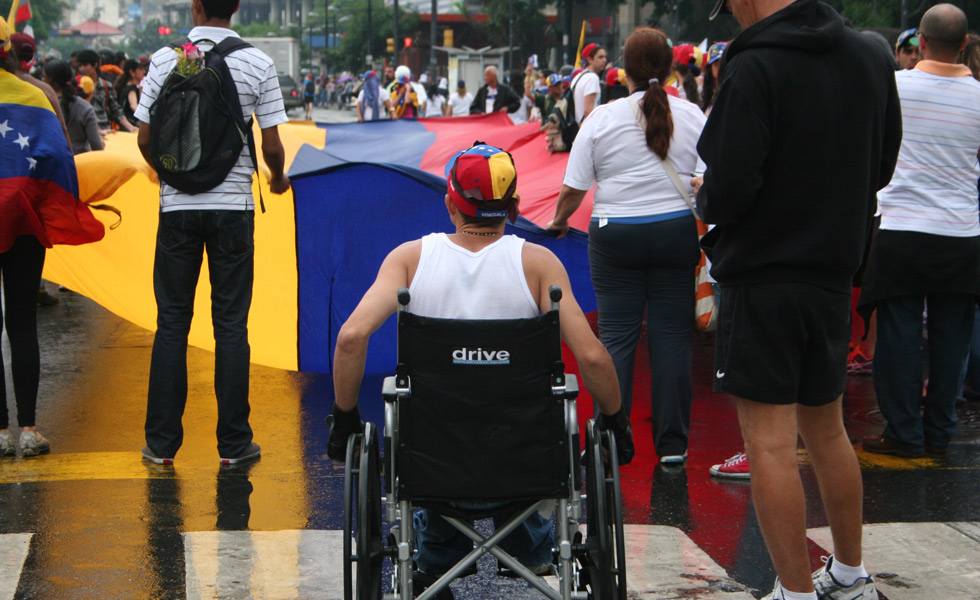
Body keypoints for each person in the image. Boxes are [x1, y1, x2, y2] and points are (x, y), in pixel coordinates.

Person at [327, 142, 633, 596]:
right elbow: (591, 357)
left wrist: (346, 421)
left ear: (451, 203)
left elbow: (351, 338)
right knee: (546, 419)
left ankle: (435, 555)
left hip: (434, 464)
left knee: (420, 425)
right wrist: (613, 422)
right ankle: (529, 546)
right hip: (524, 463)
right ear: (514, 206)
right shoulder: (538, 264)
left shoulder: (410, 260)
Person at [694, 0, 902, 598]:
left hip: (762, 276)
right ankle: (850, 575)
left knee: (769, 446)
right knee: (828, 431)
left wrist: (710, 200)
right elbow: (882, 164)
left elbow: (729, 185)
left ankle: (794, 591)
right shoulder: (869, 53)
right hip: (834, 270)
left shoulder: (752, 64)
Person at [135, 0, 292, 466]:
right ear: (238, 7)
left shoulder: (166, 59)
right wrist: (278, 180)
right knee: (230, 327)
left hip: (178, 211)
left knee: (171, 325)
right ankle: (234, 445)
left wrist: (172, 177)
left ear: (195, 7)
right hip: (233, 212)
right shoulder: (257, 62)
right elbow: (272, 146)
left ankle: (162, 446)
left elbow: (145, 139)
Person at [546, 28, 706, 465]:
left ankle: (611, 441)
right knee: (672, 338)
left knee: (617, 338)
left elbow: (573, 188)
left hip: (616, 236)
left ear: (623, 70)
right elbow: (708, 179)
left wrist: (558, 223)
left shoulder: (603, 118)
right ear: (671, 67)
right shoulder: (693, 115)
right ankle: (673, 447)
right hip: (676, 232)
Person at [858, 4, 980, 460]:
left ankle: (904, 431)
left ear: (921, 42)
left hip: (902, 229)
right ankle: (941, 429)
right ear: (965, 44)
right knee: (952, 337)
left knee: (900, 335)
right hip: (962, 233)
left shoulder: (895, 87)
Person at [0, 17, 105, 458]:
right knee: (22, 322)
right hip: (23, 221)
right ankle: (27, 428)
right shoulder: (37, 95)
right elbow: (60, 157)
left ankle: (0, 433)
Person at [44, 59, 103, 154]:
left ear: (51, 81)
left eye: (44, 77)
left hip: (51, 164)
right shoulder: (84, 107)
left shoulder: (41, 105)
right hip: (80, 164)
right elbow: (97, 146)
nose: (42, 81)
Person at [75, 49, 136, 132]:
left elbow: (116, 110)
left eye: (85, 65)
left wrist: (130, 127)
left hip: (106, 131)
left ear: (95, 64)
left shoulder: (106, 86)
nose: (82, 69)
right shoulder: (77, 86)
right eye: (79, 66)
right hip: (85, 133)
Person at [573, 43, 606, 123]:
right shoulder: (592, 78)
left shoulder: (579, 76)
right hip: (587, 129)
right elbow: (588, 111)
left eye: (605, 57)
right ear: (590, 59)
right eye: (600, 57)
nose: (604, 60)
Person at [114, 58, 145, 127]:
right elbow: (133, 105)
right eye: (140, 69)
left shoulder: (125, 86)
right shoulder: (131, 89)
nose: (143, 71)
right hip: (130, 124)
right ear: (132, 72)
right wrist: (144, 117)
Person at [701, 42, 727, 114]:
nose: (721, 68)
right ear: (710, 68)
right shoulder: (704, 96)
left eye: (724, 64)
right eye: (716, 64)